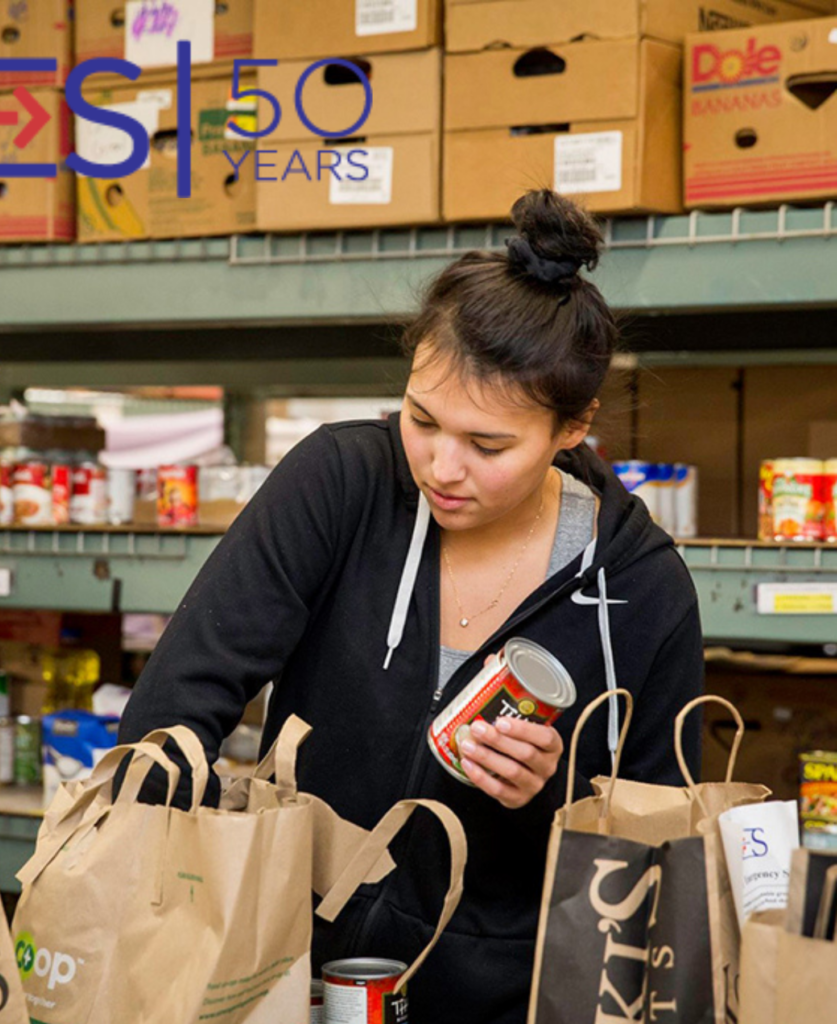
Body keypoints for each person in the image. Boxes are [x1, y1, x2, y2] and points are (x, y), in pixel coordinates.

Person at [119, 190, 705, 1024]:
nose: (441, 466)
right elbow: (175, 703)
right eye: (422, 418)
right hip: (283, 973)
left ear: (574, 428)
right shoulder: (342, 485)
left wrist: (555, 795)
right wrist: (180, 897)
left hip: (510, 996)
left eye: (488, 445)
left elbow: (659, 854)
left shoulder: (641, 588)